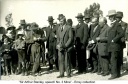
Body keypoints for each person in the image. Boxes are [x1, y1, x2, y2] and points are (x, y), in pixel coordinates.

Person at [107, 10, 124, 80]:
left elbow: (122, 33)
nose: (110, 18)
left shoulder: (117, 24)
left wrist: (114, 39)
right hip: (111, 46)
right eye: (109, 17)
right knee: (114, 60)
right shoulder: (111, 24)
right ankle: (117, 74)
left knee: (113, 60)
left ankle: (114, 74)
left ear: (114, 16)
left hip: (115, 46)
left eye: (111, 16)